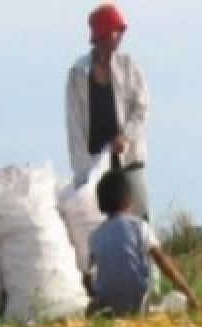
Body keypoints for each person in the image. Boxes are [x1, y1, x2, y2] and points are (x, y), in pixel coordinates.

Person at [65, 3, 152, 219]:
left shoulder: (128, 67)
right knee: (99, 223)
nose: (119, 37)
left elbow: (141, 107)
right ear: (101, 35)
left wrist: (125, 136)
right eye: (115, 32)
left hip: (128, 159)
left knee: (138, 219)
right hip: (95, 164)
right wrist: (83, 171)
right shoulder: (78, 75)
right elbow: (74, 124)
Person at [86, 169, 202, 316]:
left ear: (100, 204)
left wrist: (93, 291)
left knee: (92, 308)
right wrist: (192, 297)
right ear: (128, 199)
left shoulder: (96, 235)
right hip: (138, 301)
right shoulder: (139, 227)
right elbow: (164, 263)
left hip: (108, 304)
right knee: (177, 300)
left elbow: (88, 274)